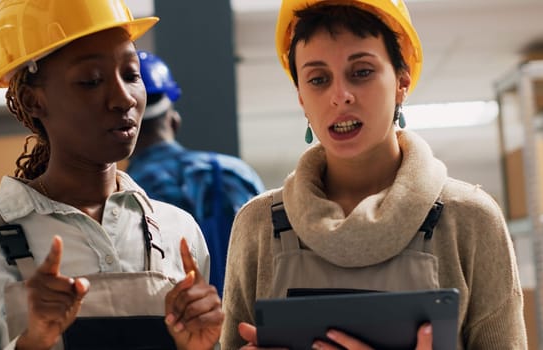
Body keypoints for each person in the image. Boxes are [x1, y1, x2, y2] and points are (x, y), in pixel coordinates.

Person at [221, 0, 527, 349]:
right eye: (318, 79)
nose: (340, 96)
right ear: (302, 99)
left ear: (401, 81)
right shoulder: (258, 225)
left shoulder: (470, 218)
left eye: (361, 72)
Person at [0, 1, 223, 349]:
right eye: (92, 80)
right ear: (34, 101)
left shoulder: (178, 232)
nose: (123, 98)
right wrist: (31, 342)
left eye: (131, 74)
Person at [128, 50, 265, 296]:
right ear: (174, 122)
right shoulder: (237, 173)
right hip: (249, 329)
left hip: (176, 331)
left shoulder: (128, 194)